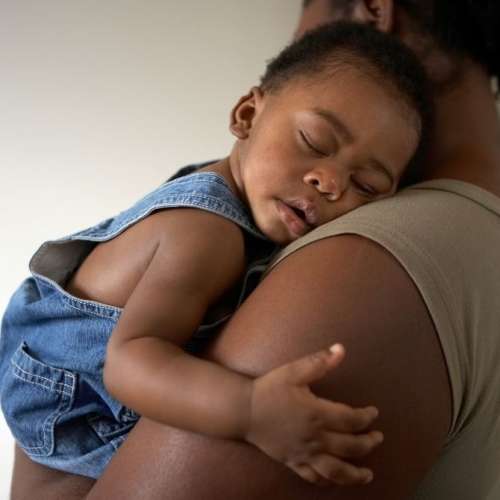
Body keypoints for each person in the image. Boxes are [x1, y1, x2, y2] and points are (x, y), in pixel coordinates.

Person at [5, 0, 500, 498]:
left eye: (367, 186)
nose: (329, 182)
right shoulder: (206, 233)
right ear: (246, 113)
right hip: (74, 412)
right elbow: (129, 363)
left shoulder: (342, 227)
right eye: (315, 140)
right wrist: (249, 410)